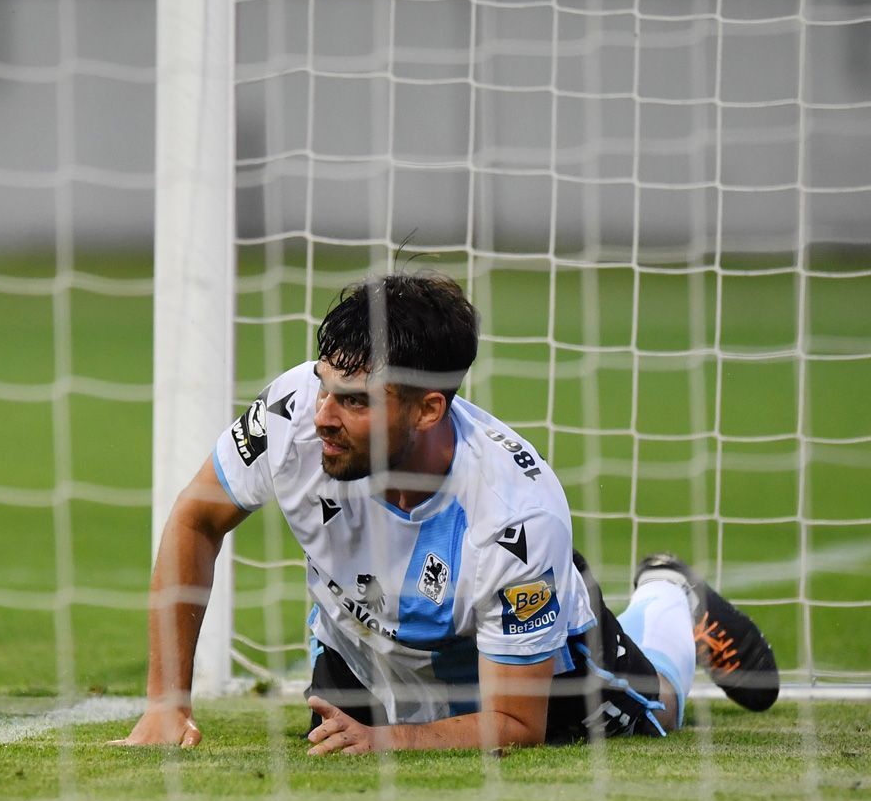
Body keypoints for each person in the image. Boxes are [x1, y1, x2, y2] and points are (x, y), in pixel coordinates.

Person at [115, 272, 778, 753]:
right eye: (323, 387)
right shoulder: (292, 416)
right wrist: (165, 706)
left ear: (429, 408)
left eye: (354, 400)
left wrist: (389, 742)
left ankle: (669, 599)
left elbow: (517, 724)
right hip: (365, 647)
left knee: (657, 710)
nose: (322, 417)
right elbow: (194, 519)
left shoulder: (516, 516)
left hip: (519, 657)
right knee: (333, 744)